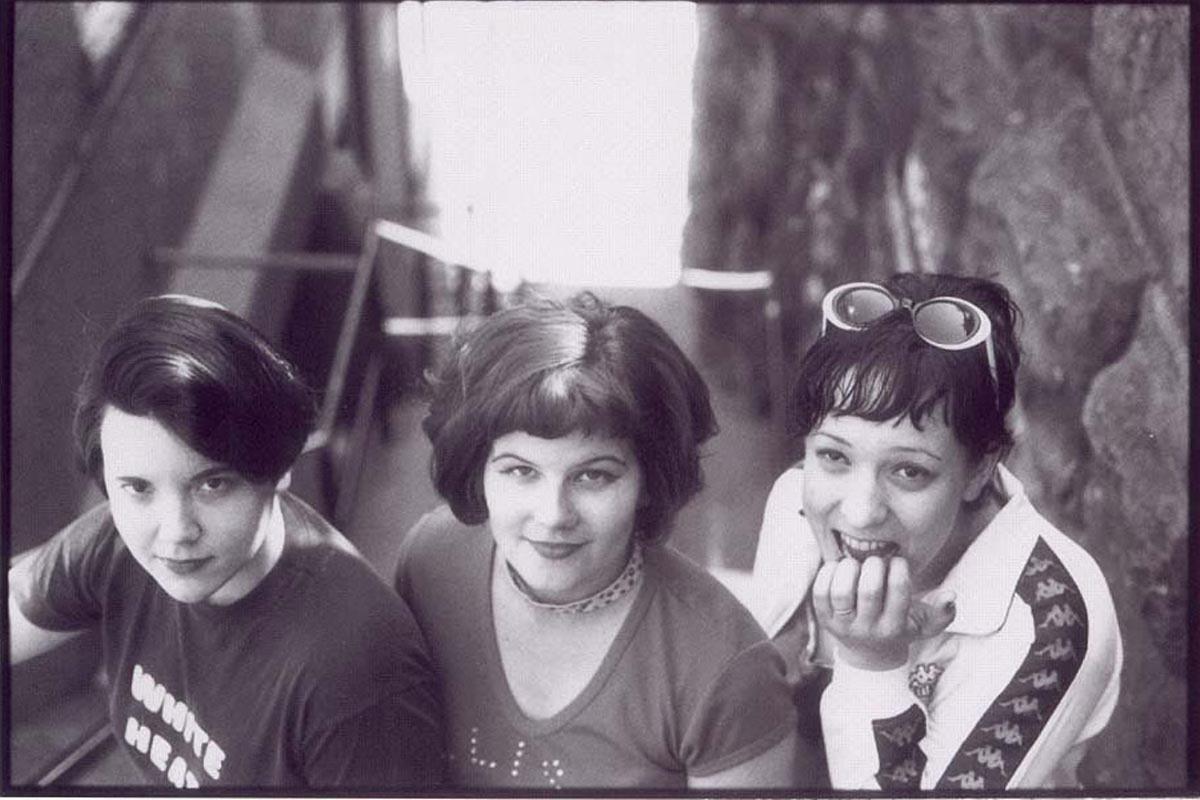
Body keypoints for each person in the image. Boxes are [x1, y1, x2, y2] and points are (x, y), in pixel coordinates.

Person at [8, 295, 444, 789]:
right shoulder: (115, 538)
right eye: (138, 488)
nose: (175, 531)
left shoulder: (353, 667)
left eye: (212, 484)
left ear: (279, 468)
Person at [393, 292, 805, 789]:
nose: (553, 515)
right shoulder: (431, 562)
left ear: (650, 480)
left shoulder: (726, 665)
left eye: (594, 476)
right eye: (520, 471)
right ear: (478, 469)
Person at [748, 273, 1123, 790]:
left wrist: (870, 663)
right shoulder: (796, 501)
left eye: (909, 471)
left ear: (980, 469)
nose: (859, 513)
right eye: (834, 455)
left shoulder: (1051, 623)